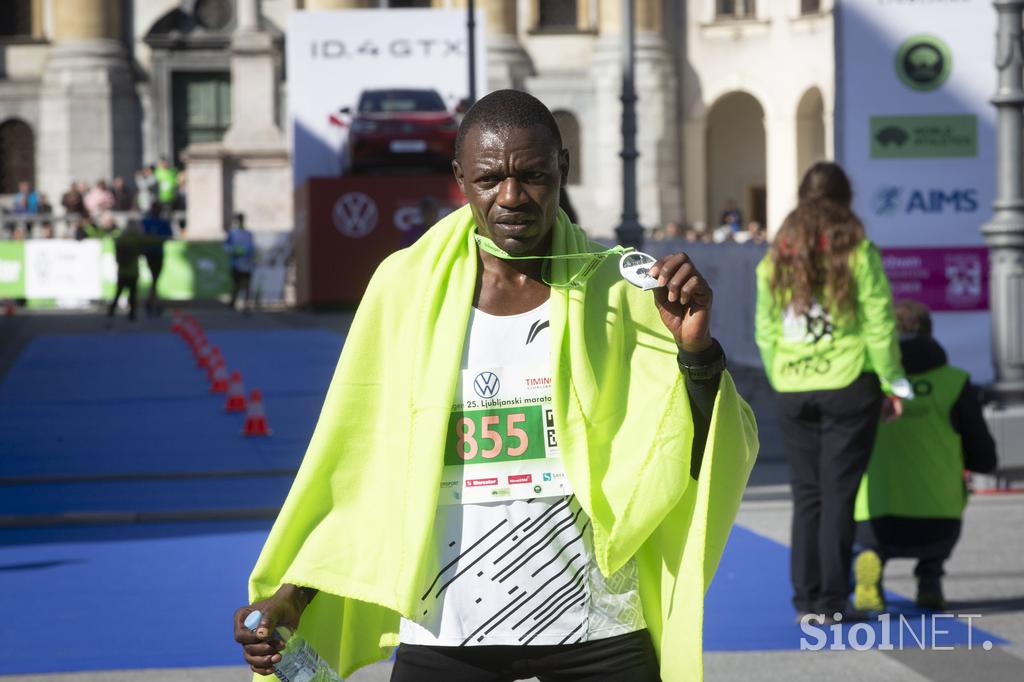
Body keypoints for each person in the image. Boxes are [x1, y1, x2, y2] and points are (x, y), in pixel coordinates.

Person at [232, 90, 758, 682]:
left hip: (596, 621)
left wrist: (696, 352)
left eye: (532, 175)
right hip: (447, 623)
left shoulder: (624, 289)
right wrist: (294, 594)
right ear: (460, 178)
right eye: (489, 178)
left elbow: (693, 449)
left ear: (564, 168)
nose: (511, 197)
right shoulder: (404, 289)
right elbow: (360, 464)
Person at [754, 161, 909, 622]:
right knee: (839, 495)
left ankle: (805, 601)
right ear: (846, 199)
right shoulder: (858, 251)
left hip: (792, 385)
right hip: (848, 383)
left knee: (807, 496)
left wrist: (780, 373)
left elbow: (765, 328)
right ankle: (832, 601)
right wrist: (892, 381)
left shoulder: (776, 257)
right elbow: (879, 324)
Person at [852, 300, 997, 613]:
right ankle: (930, 577)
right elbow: (984, 457)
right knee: (942, 515)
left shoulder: (868, 381)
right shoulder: (955, 382)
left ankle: (869, 564)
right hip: (939, 519)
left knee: (864, 539)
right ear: (930, 334)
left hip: (873, 518)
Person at [107, 222, 145, 322]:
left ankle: (112, 310)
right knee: (132, 293)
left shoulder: (121, 240)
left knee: (119, 291)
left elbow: (117, 254)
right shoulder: (137, 240)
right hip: (133, 271)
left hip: (123, 271)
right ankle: (132, 313)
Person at [141, 204, 173, 316]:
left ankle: (152, 302)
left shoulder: (163, 222)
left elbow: (169, 235)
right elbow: (142, 234)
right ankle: (153, 302)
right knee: (154, 277)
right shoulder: (147, 221)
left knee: (155, 278)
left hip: (158, 252)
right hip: (150, 252)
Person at [224, 213, 255, 312]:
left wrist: (247, 253)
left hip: (246, 262)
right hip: (236, 262)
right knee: (236, 283)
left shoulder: (248, 233)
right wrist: (234, 251)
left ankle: (246, 303)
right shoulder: (232, 233)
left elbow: (252, 247)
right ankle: (233, 301)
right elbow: (226, 247)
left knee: (246, 284)